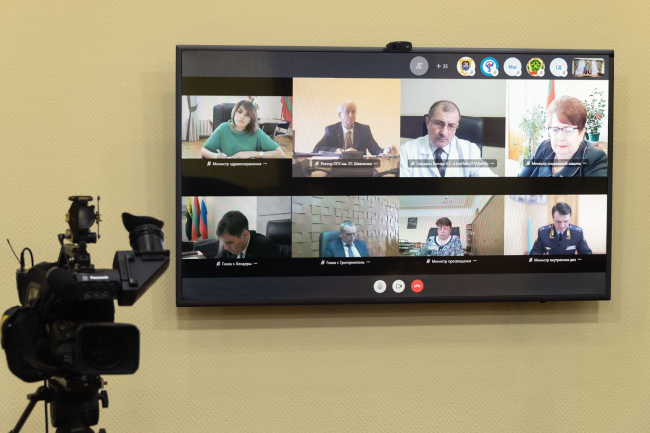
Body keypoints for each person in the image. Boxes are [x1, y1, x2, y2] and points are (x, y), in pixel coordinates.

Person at [399, 101, 497, 177]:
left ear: (457, 126)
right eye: (439, 123)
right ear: (428, 122)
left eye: (451, 126)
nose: (444, 133)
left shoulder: (470, 150)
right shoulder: (406, 151)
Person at [518, 96, 607, 177]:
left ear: (581, 133)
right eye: (555, 129)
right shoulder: (543, 148)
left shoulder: (594, 160)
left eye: (568, 130)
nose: (560, 138)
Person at [201, 100, 286, 159]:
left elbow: (281, 154)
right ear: (234, 112)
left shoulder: (256, 131)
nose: (242, 117)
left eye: (247, 115)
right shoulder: (223, 128)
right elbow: (204, 150)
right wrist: (215, 156)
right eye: (239, 111)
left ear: (251, 120)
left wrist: (251, 154)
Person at [312, 101, 394, 156]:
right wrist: (340, 151)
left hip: (360, 168)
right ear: (340, 115)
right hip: (337, 167)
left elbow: (375, 150)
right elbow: (317, 149)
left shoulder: (364, 130)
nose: (351, 115)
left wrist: (386, 151)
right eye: (347, 112)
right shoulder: (331, 130)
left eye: (353, 112)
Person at [215, 211, 280, 259]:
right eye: (224, 242)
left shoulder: (264, 247)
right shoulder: (227, 247)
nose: (226, 248)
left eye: (230, 243)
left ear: (245, 235)